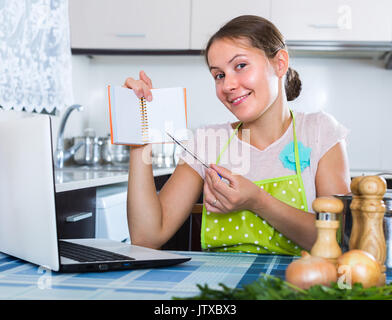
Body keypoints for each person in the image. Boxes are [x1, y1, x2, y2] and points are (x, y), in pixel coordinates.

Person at [124, 15, 351, 255]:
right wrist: (139, 136)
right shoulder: (208, 142)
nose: (227, 85)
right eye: (219, 75)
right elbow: (146, 238)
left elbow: (340, 239)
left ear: (280, 63)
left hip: (298, 288)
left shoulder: (318, 132)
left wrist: (257, 201)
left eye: (240, 66)